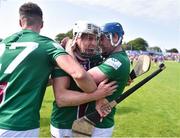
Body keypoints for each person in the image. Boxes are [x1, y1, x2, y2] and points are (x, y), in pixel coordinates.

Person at [0, 3, 99, 137]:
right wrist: (99, 95)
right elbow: (79, 74)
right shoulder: (47, 45)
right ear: (42, 24)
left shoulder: (4, 43)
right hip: (18, 125)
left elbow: (19, 79)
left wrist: (51, 81)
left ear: (20, 22)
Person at [50, 21, 117, 138]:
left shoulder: (97, 59)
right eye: (88, 38)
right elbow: (62, 99)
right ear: (76, 38)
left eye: (96, 39)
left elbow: (108, 86)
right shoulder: (62, 58)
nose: (93, 43)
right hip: (65, 124)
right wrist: (97, 95)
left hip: (88, 125)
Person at [84, 22, 130, 137]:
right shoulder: (110, 57)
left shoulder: (117, 60)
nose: (99, 43)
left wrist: (68, 51)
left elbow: (85, 78)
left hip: (99, 125)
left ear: (115, 37)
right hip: (92, 121)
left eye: (102, 38)